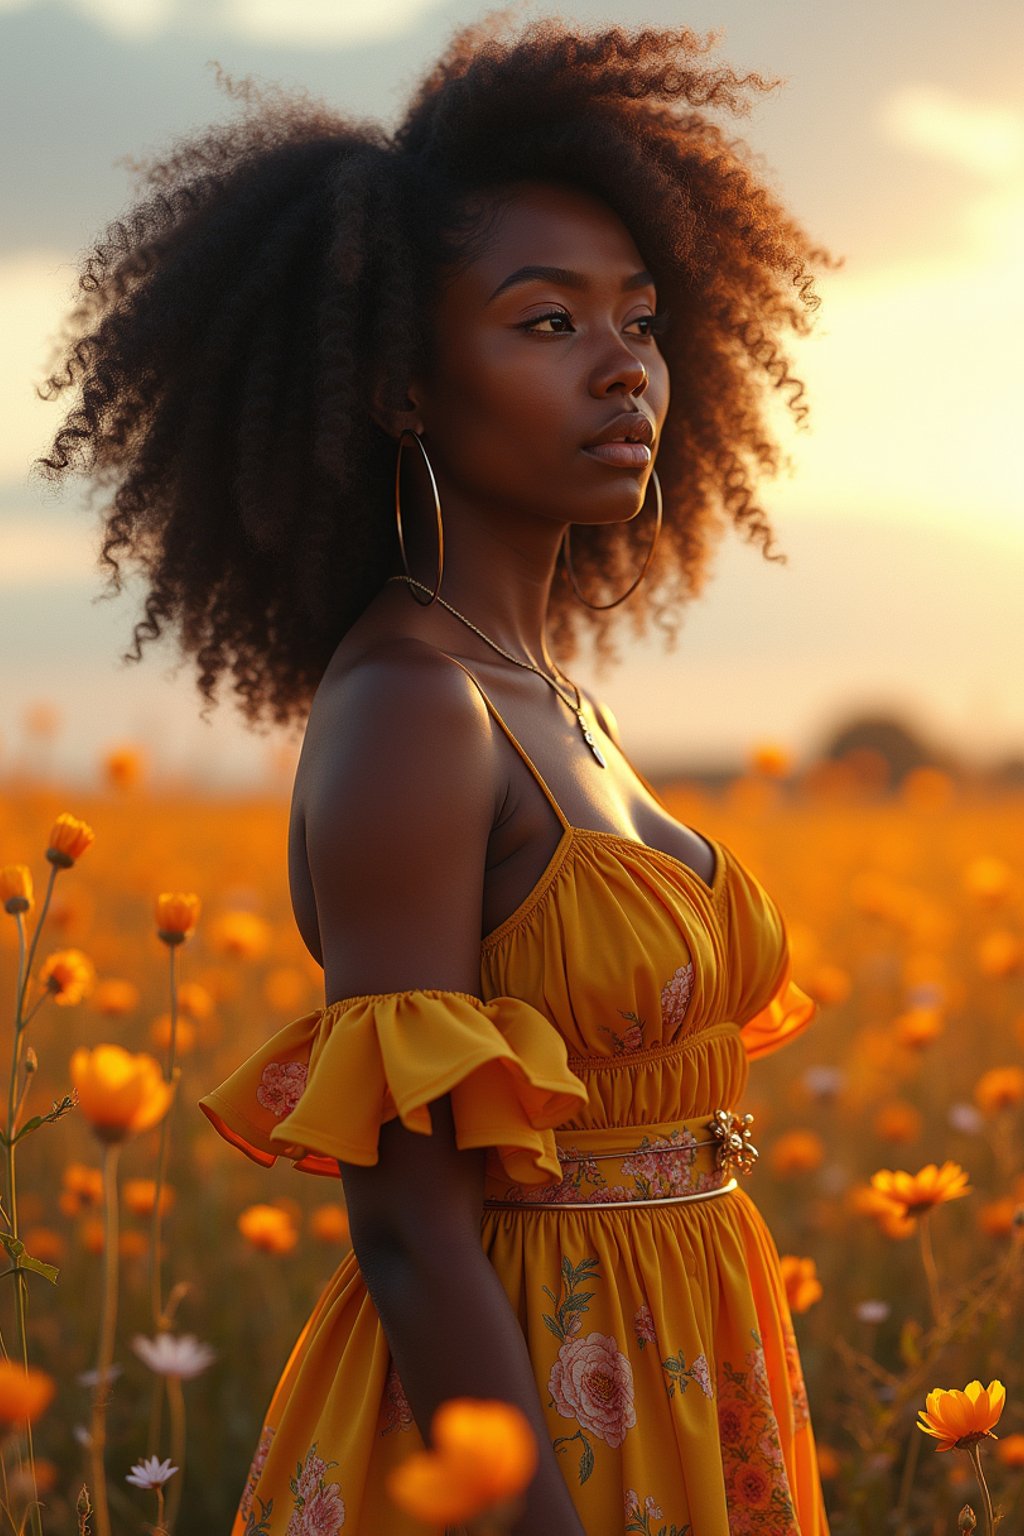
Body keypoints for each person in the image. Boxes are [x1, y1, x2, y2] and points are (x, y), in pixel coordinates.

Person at [34, 15, 837, 1534]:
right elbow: (407, 1231)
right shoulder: (412, 708)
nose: (623, 369)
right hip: (531, 1422)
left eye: (641, 318)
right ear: (402, 386)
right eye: (547, 323)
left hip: (691, 1370)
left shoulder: (549, 699)